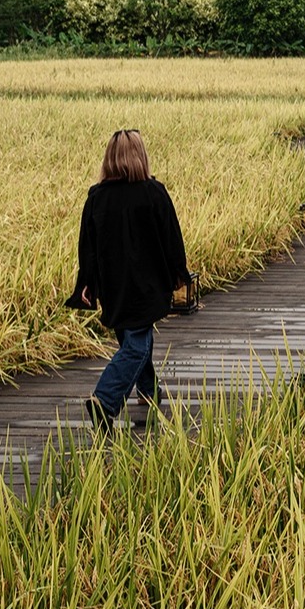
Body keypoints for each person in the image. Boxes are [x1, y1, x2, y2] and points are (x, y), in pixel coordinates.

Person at [66, 129, 189, 431]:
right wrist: (180, 275)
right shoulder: (154, 192)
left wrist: (87, 284)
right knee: (135, 344)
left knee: (133, 336)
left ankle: (148, 391)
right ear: (140, 157)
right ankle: (105, 400)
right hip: (147, 285)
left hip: (113, 286)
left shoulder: (96, 197)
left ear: (109, 159)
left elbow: (88, 248)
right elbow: (172, 238)